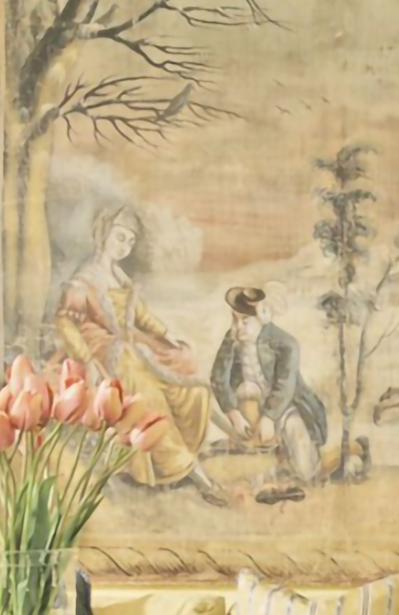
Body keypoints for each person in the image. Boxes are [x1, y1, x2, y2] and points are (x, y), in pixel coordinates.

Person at [53, 205, 227, 506]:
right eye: (120, 237)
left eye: (130, 241)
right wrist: (87, 360)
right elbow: (65, 321)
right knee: (146, 395)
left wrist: (165, 336)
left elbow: (141, 316)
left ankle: (185, 452)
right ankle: (193, 472)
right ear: (103, 234)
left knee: (183, 378)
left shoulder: (120, 277)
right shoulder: (85, 279)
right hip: (103, 349)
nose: (125, 246)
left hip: (129, 343)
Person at [210, 287, 328, 500]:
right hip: (249, 408)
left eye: (245, 321)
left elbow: (285, 386)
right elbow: (218, 377)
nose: (238, 327)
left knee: (305, 470)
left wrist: (269, 418)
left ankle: (295, 468)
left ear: (261, 319)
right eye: (234, 320)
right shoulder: (232, 339)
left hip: (286, 406)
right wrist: (234, 416)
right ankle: (266, 471)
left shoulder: (286, 344)